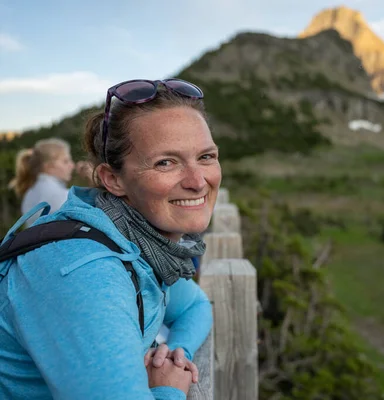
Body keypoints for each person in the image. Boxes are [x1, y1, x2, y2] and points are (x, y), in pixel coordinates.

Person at [0, 78, 220, 399]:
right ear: (113, 179)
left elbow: (196, 305)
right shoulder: (83, 271)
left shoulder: (137, 242)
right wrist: (168, 391)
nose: (198, 181)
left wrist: (175, 352)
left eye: (206, 157)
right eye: (165, 162)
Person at [9, 138, 75, 227]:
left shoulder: (33, 189)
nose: (72, 165)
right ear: (48, 166)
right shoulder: (55, 193)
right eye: (65, 161)